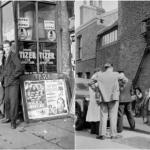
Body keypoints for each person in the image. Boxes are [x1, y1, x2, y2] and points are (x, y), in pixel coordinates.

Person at [88, 62, 128, 140]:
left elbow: (90, 82)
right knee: (113, 117)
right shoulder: (116, 74)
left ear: (105, 68)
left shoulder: (100, 75)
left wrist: (96, 90)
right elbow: (125, 80)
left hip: (102, 98)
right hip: (113, 98)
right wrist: (120, 87)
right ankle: (113, 135)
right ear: (111, 68)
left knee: (103, 116)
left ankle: (102, 135)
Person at [0, 40, 23, 129]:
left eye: (7, 47)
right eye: (5, 47)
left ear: (10, 47)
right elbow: (3, 71)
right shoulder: (4, 57)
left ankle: (13, 121)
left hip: (13, 83)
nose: (6, 49)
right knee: (7, 101)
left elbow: (19, 68)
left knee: (13, 102)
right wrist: (0, 80)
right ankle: (8, 117)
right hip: (6, 83)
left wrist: (12, 78)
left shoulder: (14, 55)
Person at [0, 46, 4, 119]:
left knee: (2, 97)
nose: (1, 55)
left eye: (2, 53)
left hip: (3, 81)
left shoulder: (4, 61)